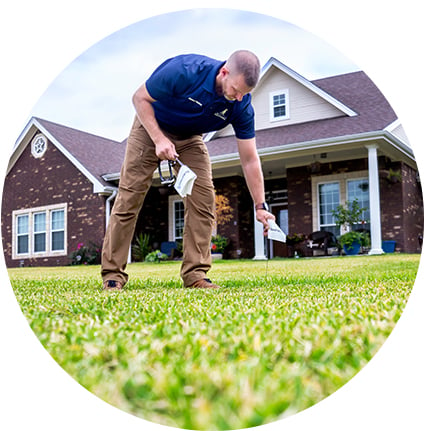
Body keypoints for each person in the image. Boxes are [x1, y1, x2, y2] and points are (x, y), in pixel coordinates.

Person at [101, 50, 275, 290]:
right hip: (149, 126)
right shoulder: (185, 71)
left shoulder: (241, 105)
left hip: (190, 138)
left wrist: (260, 206)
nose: (238, 98)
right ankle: (113, 275)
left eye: (244, 94)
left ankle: (195, 274)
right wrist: (159, 140)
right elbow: (139, 98)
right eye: (236, 90)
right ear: (224, 72)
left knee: (204, 201)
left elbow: (250, 159)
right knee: (129, 198)